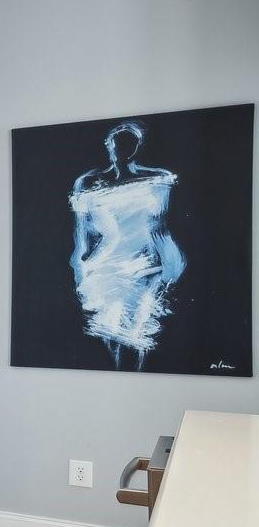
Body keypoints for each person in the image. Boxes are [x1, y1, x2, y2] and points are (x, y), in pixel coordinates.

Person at [69, 120, 185, 370]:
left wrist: (171, 265)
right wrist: (80, 268)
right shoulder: (88, 184)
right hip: (105, 268)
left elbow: (160, 228)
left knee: (134, 335)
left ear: (137, 147)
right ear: (108, 145)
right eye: (117, 144)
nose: (122, 150)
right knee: (111, 334)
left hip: (143, 268)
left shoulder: (157, 180)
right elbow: (81, 237)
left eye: (129, 144)